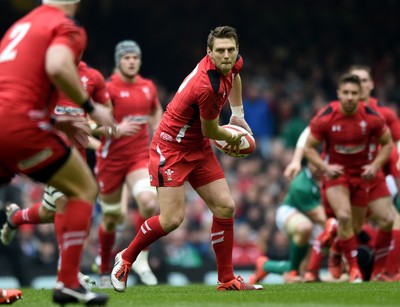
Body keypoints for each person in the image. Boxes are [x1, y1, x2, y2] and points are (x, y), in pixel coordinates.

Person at [110, 25, 263, 292]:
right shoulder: (207, 86)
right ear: (209, 52)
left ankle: (226, 279)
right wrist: (234, 138)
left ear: (237, 50)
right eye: (220, 51)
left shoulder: (233, 63)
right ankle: (125, 258)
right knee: (171, 220)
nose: (227, 56)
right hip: (170, 149)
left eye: (230, 50)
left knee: (225, 206)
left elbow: (236, 76)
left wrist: (237, 114)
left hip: (197, 146)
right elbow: (211, 131)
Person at [0, 0, 115, 304]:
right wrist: (91, 108)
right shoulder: (65, 25)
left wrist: (53, 120)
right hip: (19, 125)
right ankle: (67, 282)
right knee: (83, 189)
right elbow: (57, 65)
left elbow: (15, 85)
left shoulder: (19, 27)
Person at [285, 65, 399, 281]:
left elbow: (390, 143)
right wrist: (309, 163)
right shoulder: (327, 116)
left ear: (368, 87)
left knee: (379, 221)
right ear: (338, 93)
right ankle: (353, 269)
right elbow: (309, 142)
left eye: (355, 91)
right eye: (346, 92)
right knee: (344, 217)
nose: (350, 96)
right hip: (338, 175)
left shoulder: (376, 115)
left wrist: (376, 166)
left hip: (369, 174)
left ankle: (373, 267)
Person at [95, 40, 163, 287]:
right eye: (127, 58)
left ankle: (139, 256)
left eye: (135, 57)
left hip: (137, 157)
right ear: (118, 61)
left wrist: (158, 130)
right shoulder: (108, 88)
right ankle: (104, 268)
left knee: (148, 202)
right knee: (113, 218)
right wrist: (116, 128)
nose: (132, 61)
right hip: (110, 161)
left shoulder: (147, 87)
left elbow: (156, 110)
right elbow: (94, 123)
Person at [249, 161, 326, 284]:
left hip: (313, 220)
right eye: (313, 163)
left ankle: (266, 266)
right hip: (290, 213)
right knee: (304, 227)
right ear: (307, 164)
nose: (317, 167)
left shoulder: (330, 177)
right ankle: (292, 272)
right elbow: (319, 216)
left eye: (320, 163)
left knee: (306, 271)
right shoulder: (301, 184)